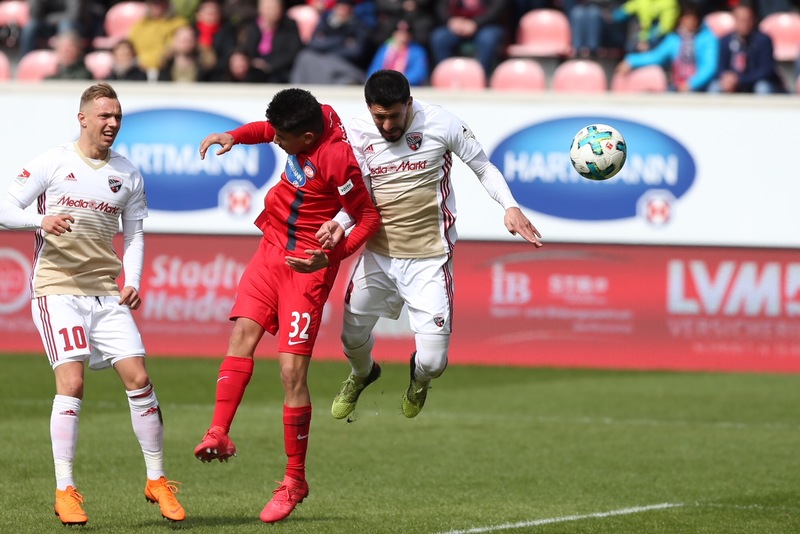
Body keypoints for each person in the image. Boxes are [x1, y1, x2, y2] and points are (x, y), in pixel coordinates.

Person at [0, 82, 185, 526]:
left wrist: (133, 280)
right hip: (58, 290)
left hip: (105, 293)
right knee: (73, 383)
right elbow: (5, 208)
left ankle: (157, 479)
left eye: (117, 116)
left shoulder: (129, 174)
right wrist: (39, 219)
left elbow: (136, 234)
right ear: (82, 118)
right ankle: (65, 489)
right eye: (104, 115)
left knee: (140, 378)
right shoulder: (54, 161)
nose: (112, 123)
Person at [193, 88, 380, 523]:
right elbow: (270, 129)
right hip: (270, 249)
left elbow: (369, 217)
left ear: (309, 135)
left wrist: (329, 256)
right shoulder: (315, 119)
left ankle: (295, 480)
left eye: (283, 138)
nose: (276, 142)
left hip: (307, 265)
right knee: (241, 334)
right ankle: (218, 432)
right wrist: (234, 136)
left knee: (291, 371)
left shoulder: (338, 160)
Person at [318, 69, 542, 421]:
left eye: (395, 115)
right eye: (380, 116)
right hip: (378, 255)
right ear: (369, 109)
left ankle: (419, 379)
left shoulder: (441, 123)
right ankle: (363, 374)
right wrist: (338, 223)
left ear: (409, 104)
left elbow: (483, 167)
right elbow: (356, 200)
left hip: (429, 259)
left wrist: (509, 206)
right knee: (350, 338)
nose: (388, 125)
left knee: (434, 362)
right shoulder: (357, 133)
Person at [614, 1, 718, 92]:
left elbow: (709, 67)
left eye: (693, 17)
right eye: (686, 17)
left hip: (703, 89)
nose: (690, 21)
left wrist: (691, 84)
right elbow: (656, 56)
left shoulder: (707, 38)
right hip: (678, 87)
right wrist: (631, 61)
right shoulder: (674, 39)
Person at [707, 3, 786, 95]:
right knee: (715, 87)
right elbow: (720, 67)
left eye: (748, 19)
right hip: (732, 84)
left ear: (754, 19)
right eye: (742, 20)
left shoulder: (763, 40)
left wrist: (740, 79)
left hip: (755, 82)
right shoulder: (725, 41)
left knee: (763, 88)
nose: (745, 24)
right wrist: (727, 78)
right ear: (735, 20)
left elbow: (767, 70)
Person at [289, 0, 372, 85]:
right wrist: (342, 41)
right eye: (340, 7)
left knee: (340, 78)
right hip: (323, 62)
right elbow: (313, 44)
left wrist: (326, 42)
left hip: (346, 67)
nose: (342, 11)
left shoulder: (359, 26)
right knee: (305, 56)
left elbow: (356, 52)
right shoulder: (325, 22)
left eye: (346, 8)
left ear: (351, 10)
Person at [428, 0, 512, 77]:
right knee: (440, 37)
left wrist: (476, 23)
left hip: (487, 24)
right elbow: (440, 6)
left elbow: (498, 8)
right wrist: (450, 21)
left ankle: (480, 77)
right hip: (456, 24)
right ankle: (447, 77)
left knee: (488, 38)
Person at [367, 19, 429, 85]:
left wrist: (398, 81)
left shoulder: (418, 51)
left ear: (411, 34)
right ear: (394, 33)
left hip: (406, 87)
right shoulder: (384, 49)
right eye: (399, 31)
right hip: (384, 86)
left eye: (406, 31)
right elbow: (374, 70)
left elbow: (418, 74)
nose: (403, 35)